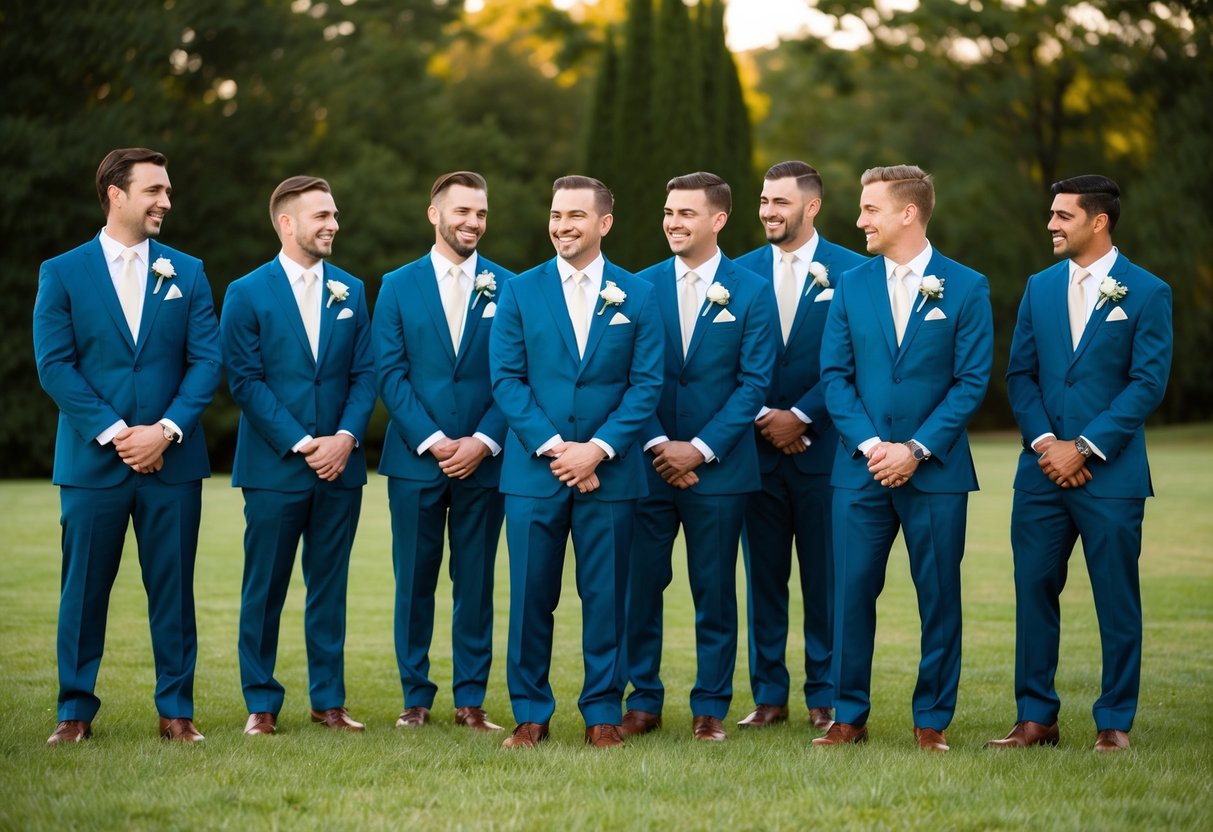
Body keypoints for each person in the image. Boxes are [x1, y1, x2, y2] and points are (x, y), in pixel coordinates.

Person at [34, 147, 222, 745]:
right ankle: (74, 712)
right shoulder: (61, 272)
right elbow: (55, 366)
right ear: (116, 193)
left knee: (173, 589)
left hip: (173, 463)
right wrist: (120, 435)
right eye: (155, 190)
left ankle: (176, 711)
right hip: (94, 462)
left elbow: (206, 361)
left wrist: (164, 431)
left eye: (167, 191)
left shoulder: (187, 271)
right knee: (83, 590)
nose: (166, 201)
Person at [989, 175, 1172, 753]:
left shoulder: (1146, 291)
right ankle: (1035, 717)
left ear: (1099, 221)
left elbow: (1148, 383)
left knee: (1116, 598)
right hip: (1041, 473)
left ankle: (1114, 721)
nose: (1051, 225)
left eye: (1063, 216)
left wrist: (1085, 446)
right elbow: (1020, 374)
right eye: (1051, 214)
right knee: (1033, 589)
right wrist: (1047, 443)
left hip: (1110, 475)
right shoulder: (1039, 287)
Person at [816, 165, 992, 752]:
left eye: (870, 209)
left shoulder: (966, 286)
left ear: (908, 213)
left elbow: (971, 382)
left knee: (939, 596)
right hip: (858, 470)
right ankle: (848, 715)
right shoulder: (850, 284)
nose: (859, 219)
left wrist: (915, 449)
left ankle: (932, 720)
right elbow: (834, 377)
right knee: (849, 593)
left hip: (936, 472)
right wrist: (873, 447)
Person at [489, 175, 662, 749]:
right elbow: (507, 381)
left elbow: (645, 385)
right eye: (556, 214)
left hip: (611, 474)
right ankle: (531, 713)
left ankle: (602, 714)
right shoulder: (518, 290)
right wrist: (557, 448)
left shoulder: (638, 295)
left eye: (575, 216)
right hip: (534, 473)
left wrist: (599, 449)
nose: (562, 225)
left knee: (608, 598)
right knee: (531, 596)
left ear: (604, 223)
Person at [623, 172, 776, 742]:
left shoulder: (752, 290)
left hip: (722, 469)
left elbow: (754, 383)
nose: (672, 222)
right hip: (647, 465)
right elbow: (630, 377)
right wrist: (661, 444)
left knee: (715, 591)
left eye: (686, 213)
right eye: (668, 211)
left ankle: (710, 706)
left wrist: (702, 449)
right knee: (641, 587)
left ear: (717, 220)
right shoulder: (636, 288)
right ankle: (643, 699)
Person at [220, 176, 376, 736]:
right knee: (264, 589)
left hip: (342, 466)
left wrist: (345, 438)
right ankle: (261, 703)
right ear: (287, 223)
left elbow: (365, 375)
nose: (333, 224)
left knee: (329, 589)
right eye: (322, 216)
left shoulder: (351, 290)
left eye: (334, 214)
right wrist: (303, 442)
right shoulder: (246, 291)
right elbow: (244, 380)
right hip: (274, 467)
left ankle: (328, 700)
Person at [374, 171, 514, 733]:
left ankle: (471, 700)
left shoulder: (510, 286)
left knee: (476, 583)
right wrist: (433, 441)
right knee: (414, 581)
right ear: (434, 214)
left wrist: (482, 440)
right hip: (415, 461)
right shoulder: (396, 285)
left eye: (480, 213)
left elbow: (516, 371)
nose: (472, 222)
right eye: (461, 212)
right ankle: (415, 698)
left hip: (486, 459)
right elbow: (390, 372)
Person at [734, 161, 867, 732]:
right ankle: (768, 696)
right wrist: (767, 415)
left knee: (826, 580)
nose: (768, 211)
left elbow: (857, 359)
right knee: (763, 579)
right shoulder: (734, 274)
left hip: (825, 451)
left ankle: (826, 694)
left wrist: (803, 415)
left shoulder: (856, 271)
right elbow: (732, 362)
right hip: (755, 452)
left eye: (779, 202)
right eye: (764, 201)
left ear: (810, 207)